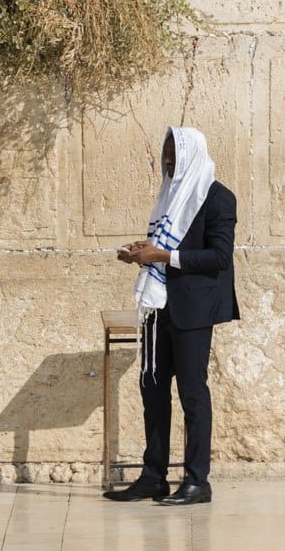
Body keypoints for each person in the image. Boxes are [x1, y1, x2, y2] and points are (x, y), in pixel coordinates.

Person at [104, 127, 239, 506]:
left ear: (190, 155)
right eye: (165, 155)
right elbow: (162, 243)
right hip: (158, 306)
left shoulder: (217, 197)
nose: (167, 162)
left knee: (192, 394)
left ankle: (198, 481)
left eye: (173, 155)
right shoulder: (169, 196)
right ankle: (153, 477)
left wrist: (162, 257)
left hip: (193, 310)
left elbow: (220, 257)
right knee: (153, 390)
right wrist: (140, 252)